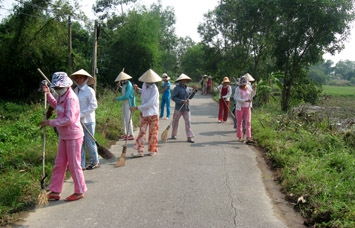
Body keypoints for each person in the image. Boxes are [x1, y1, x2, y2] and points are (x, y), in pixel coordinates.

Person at [40, 72, 87, 201]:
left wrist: (50, 122)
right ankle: (55, 190)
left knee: (74, 164)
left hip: (73, 135)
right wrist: (48, 94)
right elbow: (56, 105)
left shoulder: (71, 98)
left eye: (59, 88)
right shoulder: (62, 96)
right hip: (64, 135)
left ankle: (80, 191)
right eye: (56, 88)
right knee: (59, 163)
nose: (58, 90)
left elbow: (69, 119)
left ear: (66, 86)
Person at [70, 69, 99, 171]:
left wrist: (81, 114)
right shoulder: (74, 91)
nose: (79, 79)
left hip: (88, 120)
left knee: (89, 142)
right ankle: (81, 164)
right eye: (77, 77)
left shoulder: (89, 91)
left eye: (81, 77)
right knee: (80, 143)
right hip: (77, 121)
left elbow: (93, 105)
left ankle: (94, 161)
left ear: (85, 79)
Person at [130, 69, 161, 157]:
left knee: (153, 132)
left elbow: (150, 103)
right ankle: (140, 150)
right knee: (142, 132)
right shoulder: (144, 85)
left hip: (153, 114)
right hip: (144, 113)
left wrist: (137, 107)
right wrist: (138, 89)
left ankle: (153, 149)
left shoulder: (155, 89)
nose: (148, 82)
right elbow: (143, 93)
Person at [170, 73, 199, 143]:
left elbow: (190, 97)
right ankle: (174, 134)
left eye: (185, 80)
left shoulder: (188, 89)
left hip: (186, 108)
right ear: (180, 81)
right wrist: (181, 101)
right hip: (178, 108)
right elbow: (173, 97)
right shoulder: (177, 88)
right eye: (183, 80)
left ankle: (189, 137)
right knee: (175, 121)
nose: (184, 81)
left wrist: (194, 91)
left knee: (188, 122)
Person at [233, 76, 256, 143]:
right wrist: (246, 100)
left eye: (244, 84)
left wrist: (254, 89)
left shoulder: (249, 87)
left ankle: (248, 137)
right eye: (242, 85)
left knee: (248, 122)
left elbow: (253, 95)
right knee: (239, 123)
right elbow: (237, 99)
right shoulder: (237, 89)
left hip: (248, 107)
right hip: (239, 108)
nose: (243, 86)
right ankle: (240, 137)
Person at [114, 70, 136, 140]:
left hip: (128, 103)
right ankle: (126, 133)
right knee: (123, 118)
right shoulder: (124, 84)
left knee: (128, 118)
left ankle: (131, 134)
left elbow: (126, 96)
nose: (122, 80)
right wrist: (120, 87)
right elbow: (123, 91)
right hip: (124, 103)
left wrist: (117, 99)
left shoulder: (129, 85)